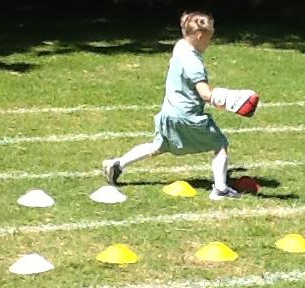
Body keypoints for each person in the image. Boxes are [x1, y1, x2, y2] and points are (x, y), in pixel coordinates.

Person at [102, 11, 242, 200]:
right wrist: (231, 99)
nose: (211, 40)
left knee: (157, 146)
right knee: (220, 144)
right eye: (210, 35)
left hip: (168, 113)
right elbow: (205, 94)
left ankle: (118, 164)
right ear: (200, 35)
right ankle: (220, 189)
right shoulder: (194, 63)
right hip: (188, 117)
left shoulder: (180, 46)